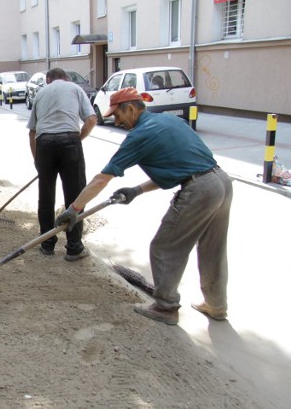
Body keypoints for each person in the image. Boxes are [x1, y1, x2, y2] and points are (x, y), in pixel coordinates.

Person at [54, 87, 233, 325]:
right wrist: (136, 190)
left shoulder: (139, 135)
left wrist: (74, 209)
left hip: (199, 190)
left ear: (131, 108)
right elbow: (181, 167)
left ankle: (166, 307)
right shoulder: (167, 121)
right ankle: (217, 305)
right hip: (221, 181)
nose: (117, 122)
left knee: (164, 248)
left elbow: (101, 179)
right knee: (213, 248)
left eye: (117, 115)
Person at [26, 68, 97, 261]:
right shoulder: (75, 88)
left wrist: (37, 160)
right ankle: (74, 248)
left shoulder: (41, 93)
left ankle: (47, 244)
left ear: (48, 79)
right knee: (76, 197)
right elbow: (91, 119)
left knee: (46, 197)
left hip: (45, 145)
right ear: (66, 78)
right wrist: (77, 139)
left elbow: (32, 132)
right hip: (70, 143)